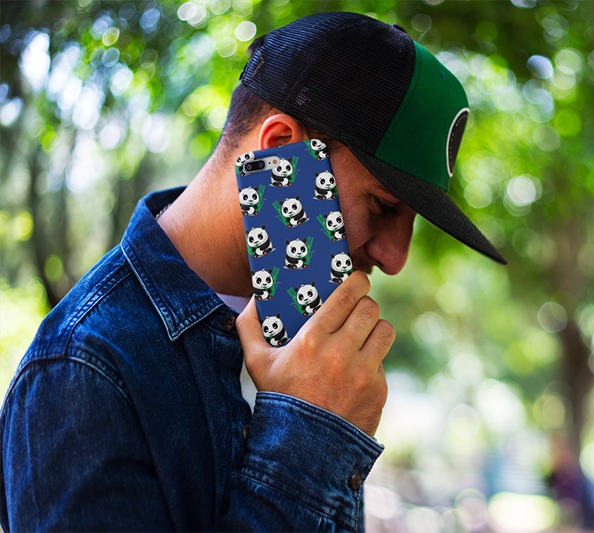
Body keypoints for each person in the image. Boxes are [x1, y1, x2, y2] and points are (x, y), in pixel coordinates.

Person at [0, 11, 506, 531]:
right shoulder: (83, 368)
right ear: (281, 148)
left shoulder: (306, 337)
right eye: (382, 206)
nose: (395, 258)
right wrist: (310, 431)